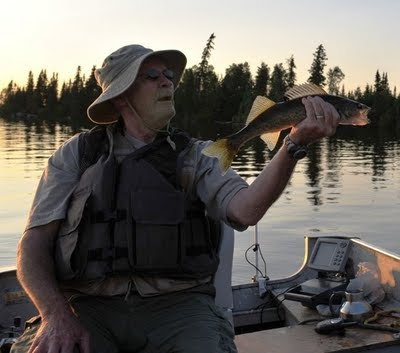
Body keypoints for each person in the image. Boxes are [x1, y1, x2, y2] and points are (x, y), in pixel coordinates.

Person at [12, 44, 340, 353]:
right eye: (152, 76)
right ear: (121, 96)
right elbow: (33, 244)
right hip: (86, 305)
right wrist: (55, 315)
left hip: (179, 305)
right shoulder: (76, 155)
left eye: (169, 75)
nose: (167, 81)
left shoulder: (195, 155)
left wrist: (293, 145)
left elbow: (246, 211)